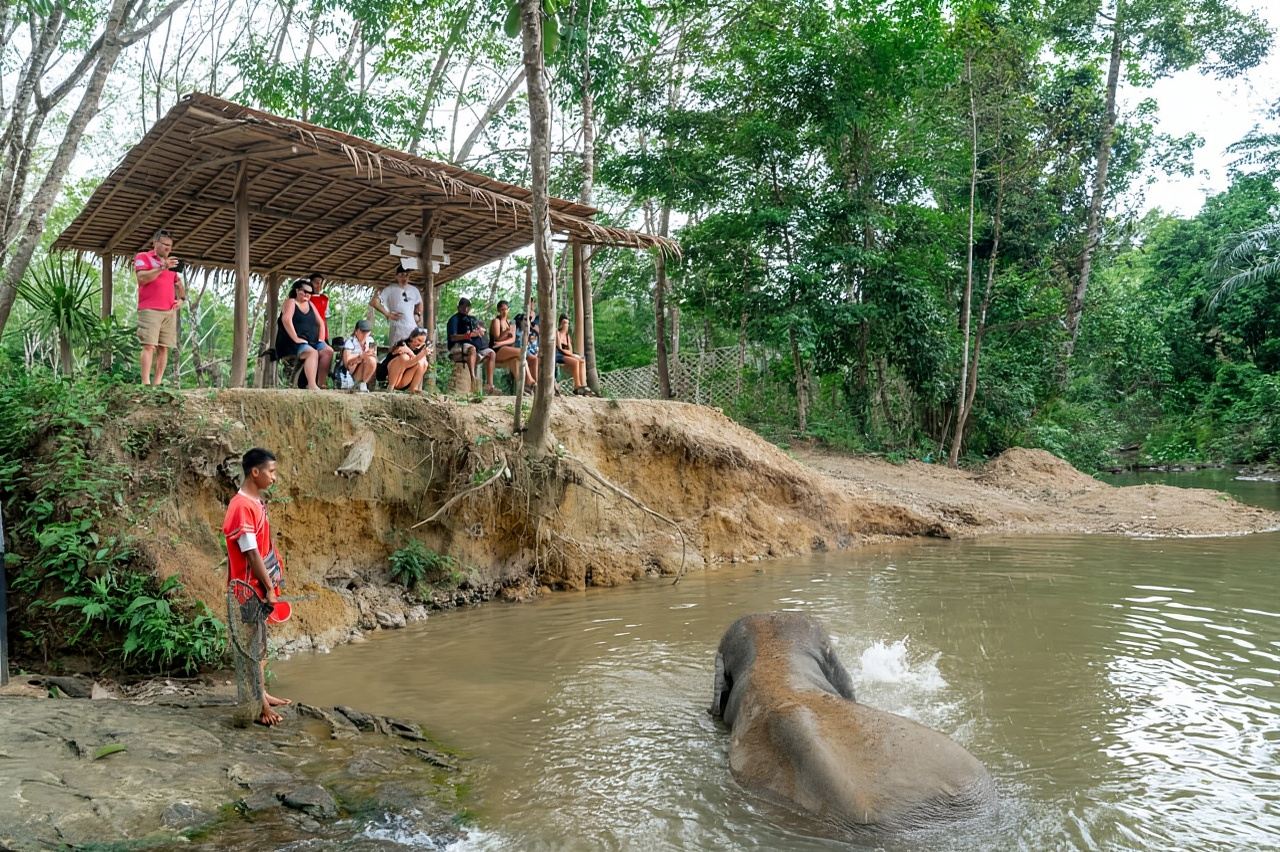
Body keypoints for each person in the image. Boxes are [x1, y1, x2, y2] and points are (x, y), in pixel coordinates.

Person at [222, 447, 291, 727]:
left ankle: (262, 693)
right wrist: (269, 588)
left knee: (260, 643)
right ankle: (261, 707)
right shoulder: (241, 507)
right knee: (252, 647)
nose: (274, 477)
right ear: (255, 472)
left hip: (258, 587)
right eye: (271, 472)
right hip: (248, 589)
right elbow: (251, 554)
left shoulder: (255, 502)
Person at [133, 228, 187, 386]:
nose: (167, 248)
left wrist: (182, 299)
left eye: (170, 245)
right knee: (149, 345)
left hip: (169, 310)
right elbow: (142, 278)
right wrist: (162, 267)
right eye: (164, 244)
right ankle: (145, 382)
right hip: (150, 309)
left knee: (164, 347)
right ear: (155, 243)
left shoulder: (171, 264)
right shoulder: (143, 257)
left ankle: (157, 383)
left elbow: (178, 283)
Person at [276, 279, 332, 389]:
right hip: (292, 342)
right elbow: (286, 320)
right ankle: (311, 384)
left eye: (310, 292)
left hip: (312, 341)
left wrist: (321, 339)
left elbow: (321, 322)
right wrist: (296, 338)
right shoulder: (291, 302)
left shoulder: (310, 304)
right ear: (297, 290)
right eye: (304, 291)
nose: (307, 294)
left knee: (328, 351)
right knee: (312, 353)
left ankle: (321, 383)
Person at [447, 297, 497, 394]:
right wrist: (468, 335)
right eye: (463, 307)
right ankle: (473, 378)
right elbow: (452, 337)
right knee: (472, 349)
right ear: (458, 307)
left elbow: (479, 332)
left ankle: (490, 385)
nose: (465, 309)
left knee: (492, 353)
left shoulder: (472, 319)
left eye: (467, 307)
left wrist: (480, 332)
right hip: (458, 345)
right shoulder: (454, 319)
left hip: (476, 345)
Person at [369, 266, 423, 347]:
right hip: (397, 328)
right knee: (397, 352)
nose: (404, 278)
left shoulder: (414, 290)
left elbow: (419, 303)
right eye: (401, 275)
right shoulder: (390, 289)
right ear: (396, 276)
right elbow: (374, 302)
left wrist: (418, 314)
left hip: (413, 329)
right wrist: (387, 314)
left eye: (406, 275)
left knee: (414, 352)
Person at [489, 300, 528, 390]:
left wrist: (501, 342)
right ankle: (529, 381)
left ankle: (522, 387)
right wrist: (507, 332)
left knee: (515, 360)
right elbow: (497, 338)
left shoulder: (511, 323)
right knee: (522, 352)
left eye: (506, 309)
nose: (504, 312)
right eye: (502, 309)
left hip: (505, 347)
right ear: (498, 310)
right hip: (496, 350)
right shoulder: (496, 321)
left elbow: (512, 339)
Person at [378, 327, 431, 393]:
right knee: (404, 357)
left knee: (424, 362)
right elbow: (406, 364)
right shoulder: (402, 344)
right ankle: (390, 387)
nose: (419, 344)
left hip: (403, 380)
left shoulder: (421, 349)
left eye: (422, 342)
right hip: (388, 376)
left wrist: (416, 355)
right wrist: (417, 355)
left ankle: (413, 388)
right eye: (419, 340)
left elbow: (419, 363)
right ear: (412, 337)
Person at [556, 314, 591, 395]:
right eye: (564, 323)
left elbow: (570, 350)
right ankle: (577, 385)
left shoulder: (567, 336)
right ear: (560, 323)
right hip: (558, 354)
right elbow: (560, 348)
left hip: (567, 355)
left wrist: (573, 355)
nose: (566, 325)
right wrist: (572, 355)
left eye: (567, 323)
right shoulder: (557, 333)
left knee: (581, 360)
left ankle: (583, 384)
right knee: (575, 361)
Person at [342, 318, 378, 392]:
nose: (365, 334)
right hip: (352, 373)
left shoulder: (370, 341)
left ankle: (363, 384)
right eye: (362, 331)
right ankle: (358, 384)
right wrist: (360, 357)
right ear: (356, 331)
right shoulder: (350, 342)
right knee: (369, 360)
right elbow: (347, 364)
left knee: (372, 360)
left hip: (367, 371)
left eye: (367, 332)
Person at [510, 311, 540, 391]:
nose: (527, 321)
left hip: (526, 352)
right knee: (523, 359)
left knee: (535, 359)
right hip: (516, 351)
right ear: (520, 321)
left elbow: (533, 346)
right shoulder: (515, 330)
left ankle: (535, 383)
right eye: (525, 319)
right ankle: (529, 383)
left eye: (529, 319)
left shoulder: (530, 332)